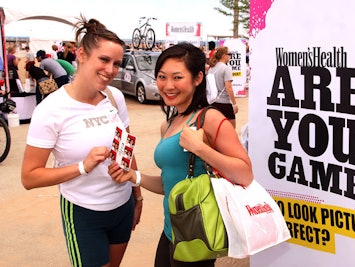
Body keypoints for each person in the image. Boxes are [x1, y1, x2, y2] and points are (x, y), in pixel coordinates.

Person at [108, 42, 253, 267]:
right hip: (171, 231)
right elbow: (171, 184)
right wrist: (133, 176)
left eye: (177, 77)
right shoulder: (167, 125)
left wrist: (201, 148)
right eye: (162, 77)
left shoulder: (210, 118)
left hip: (197, 234)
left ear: (197, 78)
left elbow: (245, 175)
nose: (168, 85)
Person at [21, 16, 143, 267]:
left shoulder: (115, 97)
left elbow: (127, 148)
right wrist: (82, 167)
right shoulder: (51, 109)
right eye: (104, 60)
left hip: (122, 206)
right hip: (83, 212)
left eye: (117, 63)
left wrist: (137, 195)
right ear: (82, 55)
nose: (110, 70)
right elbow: (29, 177)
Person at [208, 46, 238, 128]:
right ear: (224, 55)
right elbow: (229, 88)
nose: (230, 56)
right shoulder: (226, 68)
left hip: (213, 102)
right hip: (224, 103)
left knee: (216, 130)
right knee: (231, 129)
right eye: (229, 54)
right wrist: (234, 104)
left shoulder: (211, 68)